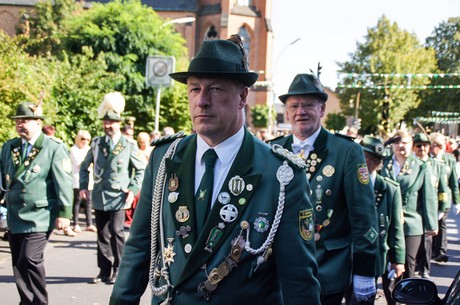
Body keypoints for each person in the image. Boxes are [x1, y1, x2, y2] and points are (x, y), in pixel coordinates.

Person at [110, 35, 320, 305]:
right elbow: (139, 249)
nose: (202, 101)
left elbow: (299, 280)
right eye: (194, 89)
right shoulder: (165, 157)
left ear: (242, 96)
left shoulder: (280, 174)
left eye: (216, 89)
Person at [267, 73, 378, 305]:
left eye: (308, 105)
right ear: (286, 112)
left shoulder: (346, 151)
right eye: (294, 106)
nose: (301, 112)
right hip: (278, 271)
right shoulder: (271, 150)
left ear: (322, 109)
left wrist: (365, 270)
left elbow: (363, 215)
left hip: (326, 269)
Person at [0, 101, 73, 304]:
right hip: (15, 214)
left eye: (25, 121)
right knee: (18, 262)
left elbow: (64, 183)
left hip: (40, 215)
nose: (20, 125)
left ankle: (40, 301)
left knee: (31, 258)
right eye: (17, 122)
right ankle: (26, 301)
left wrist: (64, 214)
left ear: (38, 123)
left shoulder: (53, 147)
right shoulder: (9, 147)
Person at [80, 92, 146, 285]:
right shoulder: (97, 143)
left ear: (118, 124)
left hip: (119, 195)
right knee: (102, 233)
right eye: (105, 122)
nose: (107, 126)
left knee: (117, 232)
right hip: (100, 194)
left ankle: (119, 268)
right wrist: (84, 186)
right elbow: (85, 166)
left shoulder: (128, 144)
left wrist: (132, 189)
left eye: (111, 123)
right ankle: (104, 270)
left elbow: (140, 169)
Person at [380, 130, 438, 280]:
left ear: (411, 144)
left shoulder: (421, 166)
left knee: (407, 265)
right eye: (397, 142)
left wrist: (431, 224)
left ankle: (405, 298)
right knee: (386, 264)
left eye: (405, 142)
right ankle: (392, 301)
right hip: (386, 221)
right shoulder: (383, 164)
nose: (401, 146)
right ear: (392, 145)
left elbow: (429, 197)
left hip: (411, 223)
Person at [359, 136, 405, 305]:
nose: (366, 163)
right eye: (363, 157)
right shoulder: (345, 183)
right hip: (347, 253)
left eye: (372, 160)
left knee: (366, 298)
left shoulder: (389, 189)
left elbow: (396, 227)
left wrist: (398, 260)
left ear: (378, 163)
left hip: (375, 253)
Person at [412, 133, 448, 279]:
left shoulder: (437, 166)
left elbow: (443, 189)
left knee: (427, 241)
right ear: (414, 147)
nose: (422, 148)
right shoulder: (410, 165)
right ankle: (413, 266)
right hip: (414, 209)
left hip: (430, 210)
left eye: (425, 145)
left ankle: (424, 269)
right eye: (418, 145)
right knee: (413, 240)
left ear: (429, 146)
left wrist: (442, 208)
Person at [429, 132, 460, 263]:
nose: (439, 148)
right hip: (430, 198)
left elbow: (453, 181)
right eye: (436, 145)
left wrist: (457, 201)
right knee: (430, 225)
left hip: (444, 198)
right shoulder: (426, 159)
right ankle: (430, 251)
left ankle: (441, 251)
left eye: (441, 145)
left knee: (441, 223)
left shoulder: (450, 159)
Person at [69, 130, 97, 233]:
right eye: (83, 139)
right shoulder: (74, 149)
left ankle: (89, 223)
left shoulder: (90, 149)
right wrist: (89, 163)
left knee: (89, 202)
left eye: (87, 139)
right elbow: (80, 163)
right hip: (77, 179)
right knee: (77, 201)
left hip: (89, 179)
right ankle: (75, 223)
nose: (85, 141)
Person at [124, 131, 152, 227]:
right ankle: (131, 219)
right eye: (141, 142)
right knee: (134, 198)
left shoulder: (153, 150)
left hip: (149, 178)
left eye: (145, 141)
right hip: (138, 179)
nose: (143, 144)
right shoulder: (136, 151)